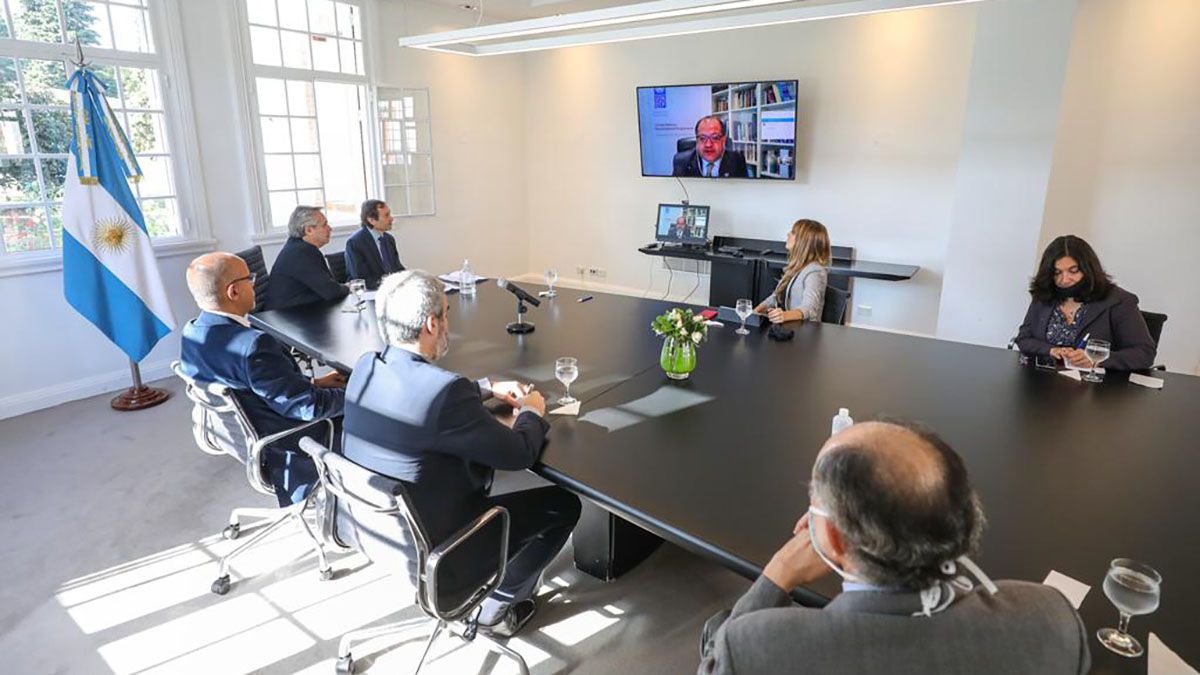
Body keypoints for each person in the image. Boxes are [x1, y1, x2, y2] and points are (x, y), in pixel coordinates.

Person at [698, 420, 1091, 675]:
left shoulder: (755, 647)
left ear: (834, 539)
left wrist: (779, 572)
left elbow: (713, 660)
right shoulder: (1051, 617)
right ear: (966, 514)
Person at [342, 270, 581, 637]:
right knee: (563, 504)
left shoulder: (366, 367)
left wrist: (485, 387)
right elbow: (519, 455)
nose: (449, 324)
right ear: (432, 323)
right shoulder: (443, 394)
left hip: (374, 529)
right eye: (448, 314)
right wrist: (532, 408)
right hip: (445, 548)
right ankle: (495, 607)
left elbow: (419, 395)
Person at [180, 252, 347, 506]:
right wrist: (360, 395)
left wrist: (314, 384)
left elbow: (250, 387)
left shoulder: (192, 332)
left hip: (240, 436)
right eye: (250, 278)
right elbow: (308, 407)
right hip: (286, 443)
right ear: (233, 292)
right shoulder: (253, 345)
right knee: (371, 413)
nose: (255, 284)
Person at [1015, 235, 1155, 371]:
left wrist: (1098, 360)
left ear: (1088, 269)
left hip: (1098, 387)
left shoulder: (1119, 301)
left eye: (1073, 271)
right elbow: (1024, 339)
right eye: (1057, 273)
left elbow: (1144, 353)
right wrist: (1051, 350)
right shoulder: (1045, 296)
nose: (1065, 280)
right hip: (1044, 381)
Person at [265, 206, 350, 310]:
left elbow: (329, 287)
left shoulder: (299, 247)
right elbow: (331, 291)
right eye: (324, 225)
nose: (330, 228)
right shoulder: (301, 253)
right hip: (287, 316)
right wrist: (349, 287)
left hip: (300, 311)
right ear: (309, 230)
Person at [754, 219, 830, 324]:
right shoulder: (796, 267)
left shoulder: (815, 271)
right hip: (789, 328)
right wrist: (754, 313)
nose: (788, 234)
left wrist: (784, 315)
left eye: (793, 232)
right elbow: (775, 297)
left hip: (805, 333)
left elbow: (809, 308)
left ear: (803, 241)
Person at [344, 199, 405, 290]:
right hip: (370, 293)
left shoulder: (389, 239)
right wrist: (390, 286)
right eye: (386, 215)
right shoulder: (355, 243)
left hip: (391, 291)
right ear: (372, 220)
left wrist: (409, 280)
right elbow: (361, 278)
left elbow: (398, 269)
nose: (391, 218)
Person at [673, 116, 749, 178]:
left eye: (715, 138)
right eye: (702, 138)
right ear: (697, 140)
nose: (708, 144)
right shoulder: (681, 162)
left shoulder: (737, 160)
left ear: (723, 140)